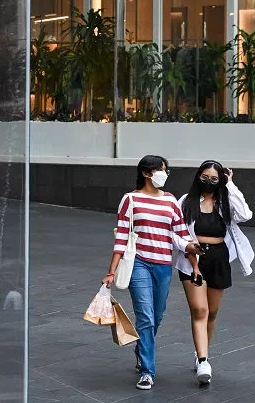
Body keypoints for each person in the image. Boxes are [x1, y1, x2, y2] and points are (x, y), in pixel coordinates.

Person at [102, 155, 203, 391]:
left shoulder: (170, 201)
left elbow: (182, 235)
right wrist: (111, 271)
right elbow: (122, 238)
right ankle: (147, 371)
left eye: (166, 171)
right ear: (147, 173)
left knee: (156, 316)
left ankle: (141, 348)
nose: (164, 175)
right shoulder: (131, 200)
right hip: (139, 263)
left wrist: (195, 262)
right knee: (145, 317)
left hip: (163, 266)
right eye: (161, 170)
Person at [176, 160, 254, 385]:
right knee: (200, 310)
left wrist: (230, 185)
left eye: (214, 178)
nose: (208, 182)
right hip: (193, 259)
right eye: (204, 177)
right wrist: (187, 248)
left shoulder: (226, 201)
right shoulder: (186, 202)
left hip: (219, 258)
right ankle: (203, 361)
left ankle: (202, 353)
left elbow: (245, 214)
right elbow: (178, 232)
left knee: (212, 313)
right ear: (197, 176)